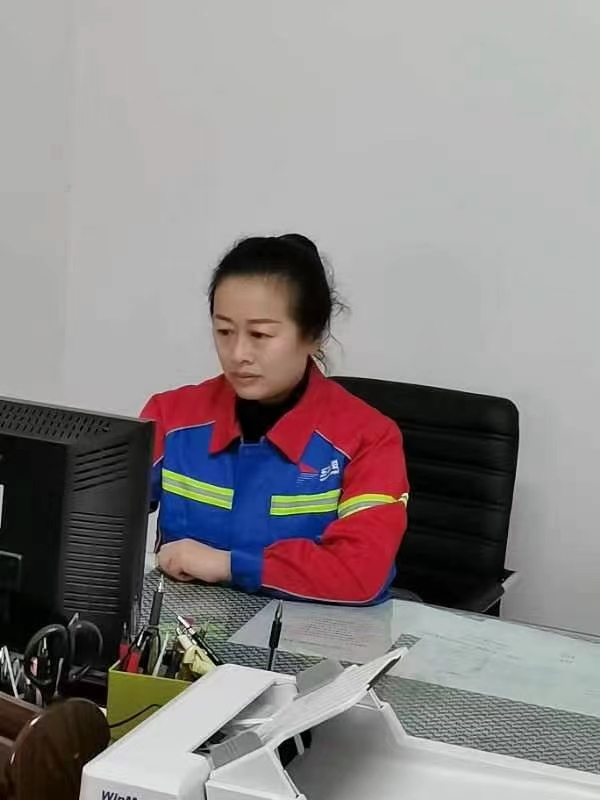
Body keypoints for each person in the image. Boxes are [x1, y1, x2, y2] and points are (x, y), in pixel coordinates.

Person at [141, 234, 409, 604]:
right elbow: (91, 517)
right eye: (224, 331)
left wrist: (228, 565)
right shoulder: (171, 417)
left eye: (260, 334)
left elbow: (361, 573)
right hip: (185, 630)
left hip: (315, 634)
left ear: (314, 335)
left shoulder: (368, 438)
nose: (238, 353)